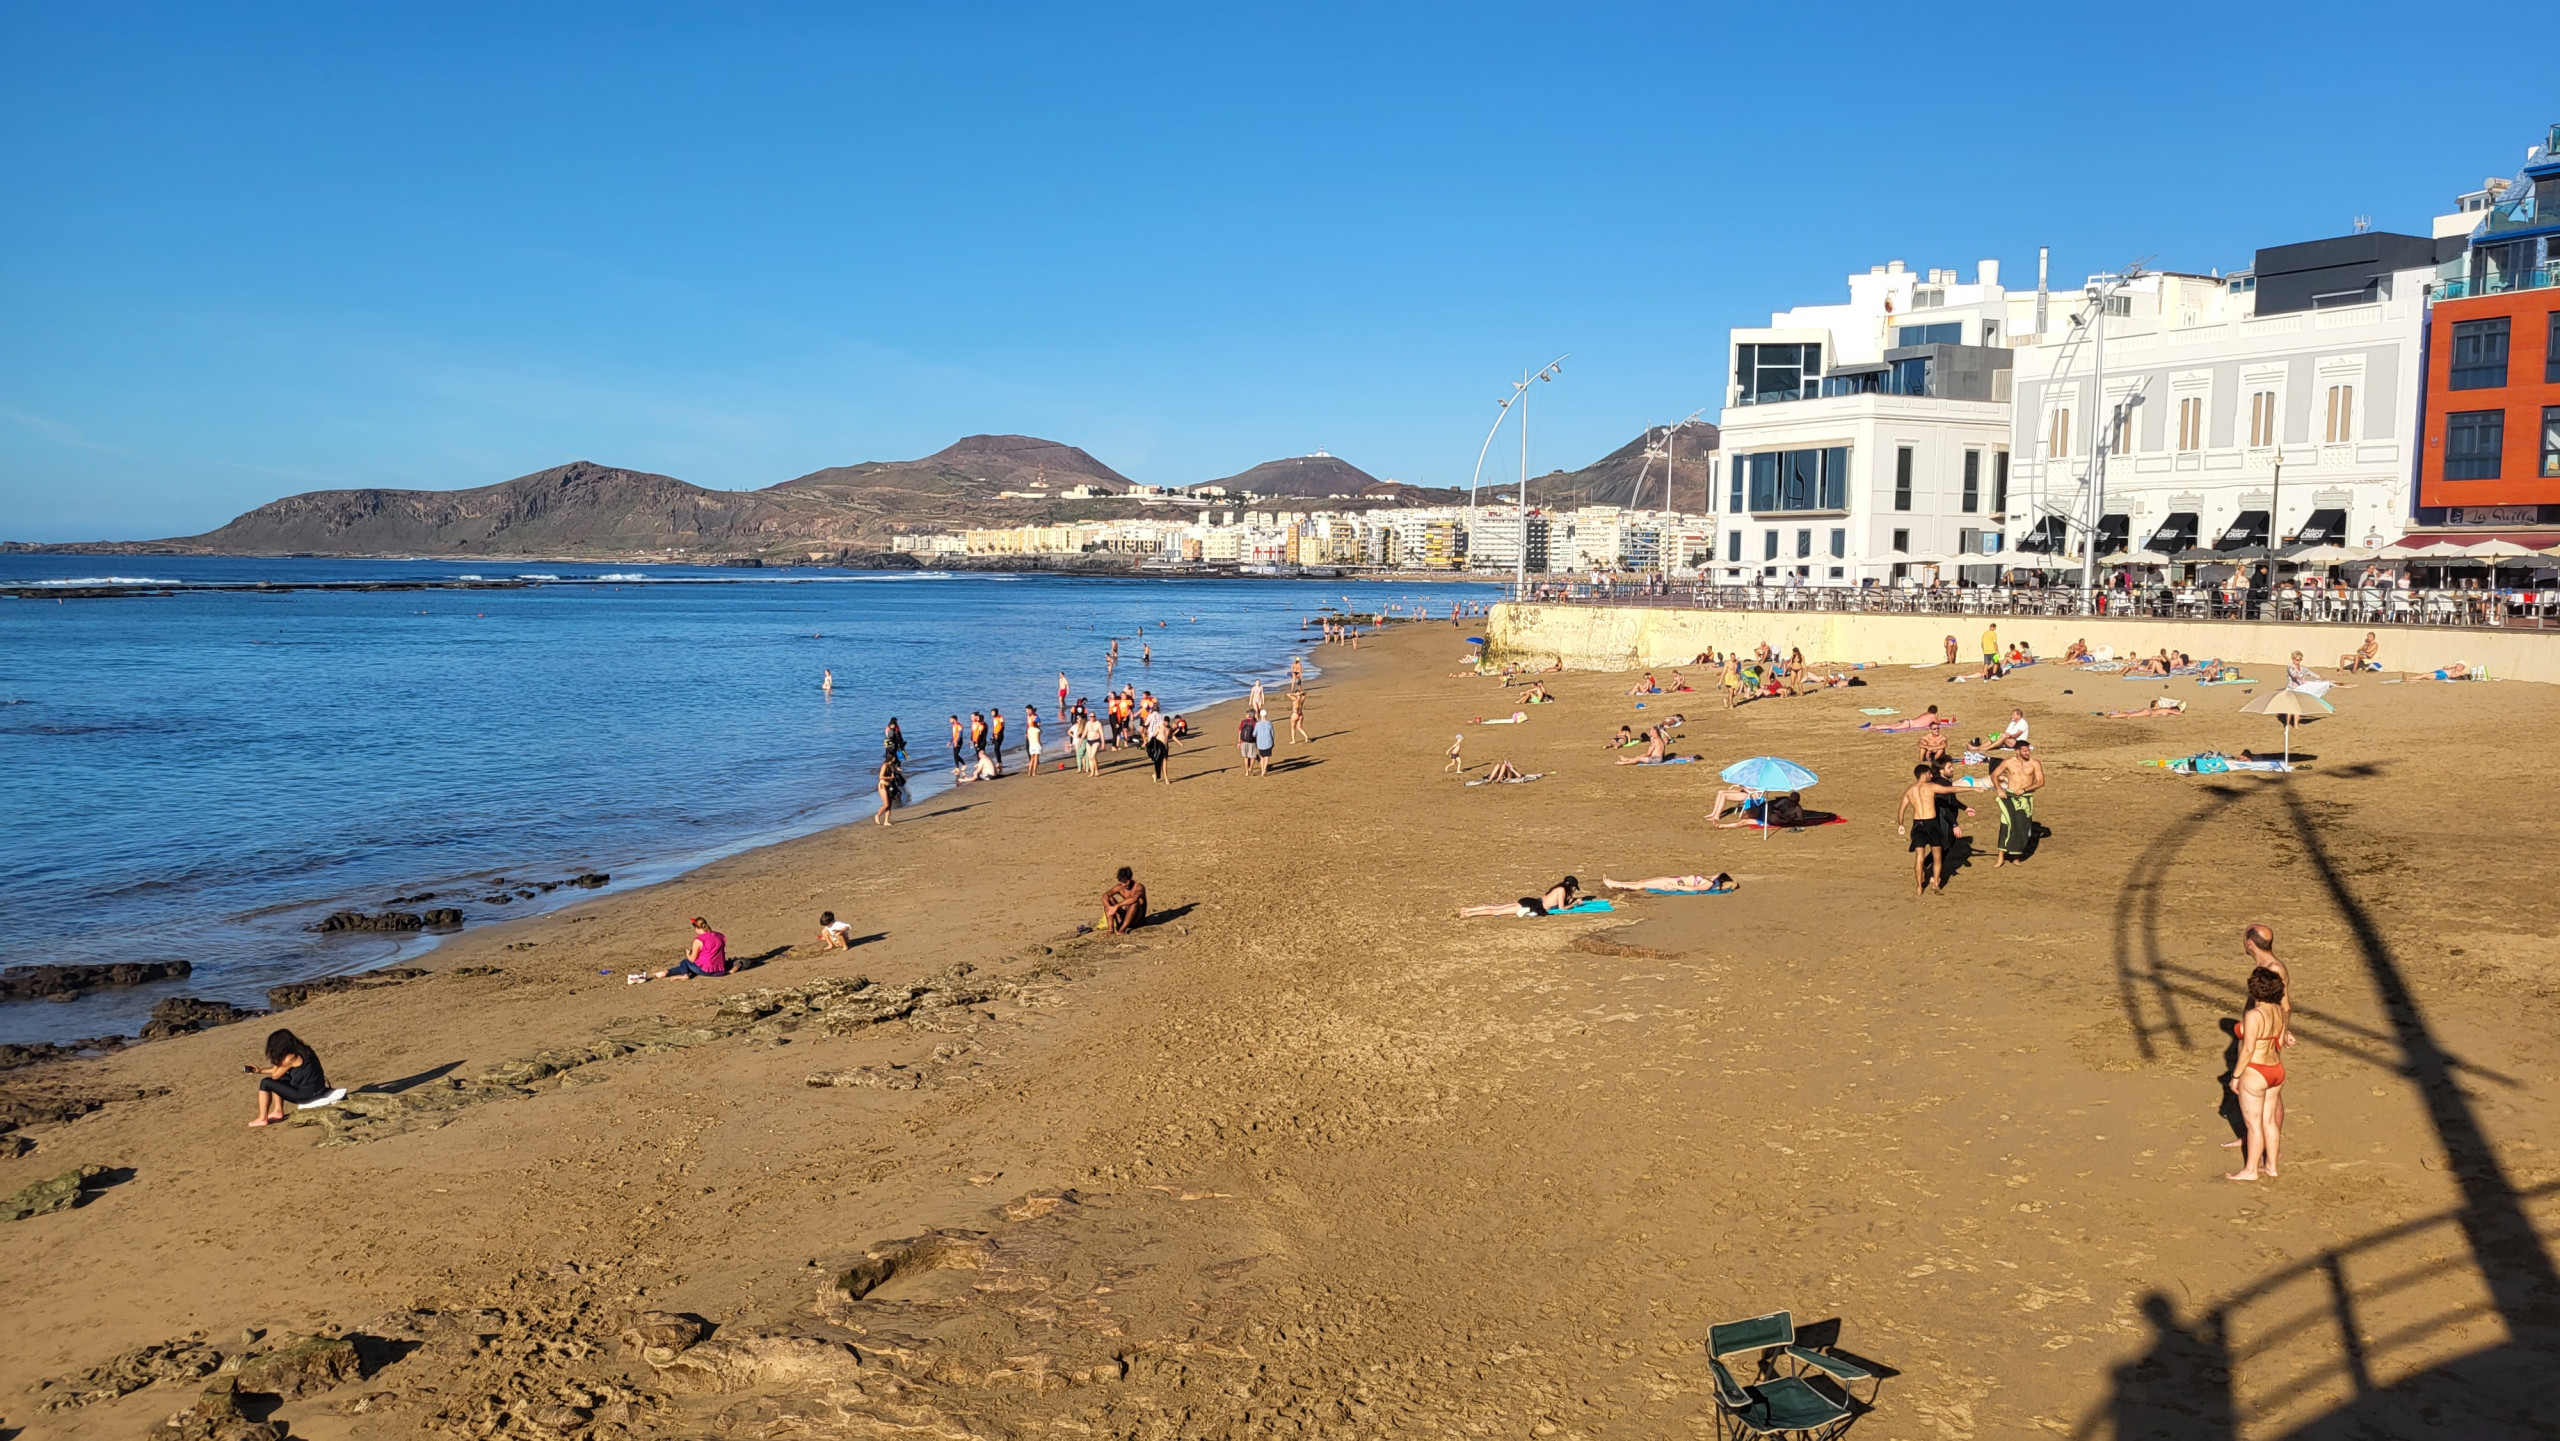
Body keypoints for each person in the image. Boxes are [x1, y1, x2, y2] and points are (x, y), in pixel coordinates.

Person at [2227, 966, 2288, 1181]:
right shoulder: (2279, 1011)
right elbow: (2279, 1040)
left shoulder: (2254, 1015)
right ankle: (2271, 1166)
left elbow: (2248, 1049)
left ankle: (2251, 1170)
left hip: (2256, 1070)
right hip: (2276, 1069)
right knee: (2269, 1120)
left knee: (2254, 1125)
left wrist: (2235, 1076)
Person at [1896, 764, 1969, 896]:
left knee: (1919, 857)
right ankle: (1935, 882)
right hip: (1931, 823)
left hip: (1917, 824)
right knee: (1937, 855)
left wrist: (1901, 824)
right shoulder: (1930, 787)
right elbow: (1950, 789)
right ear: (1924, 774)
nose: (1931, 776)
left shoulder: (1909, 791)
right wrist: (1973, 788)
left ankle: (1919, 887)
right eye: (1929, 774)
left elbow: (1901, 810)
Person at [249, 1028, 336, 1126]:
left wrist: (277, 1059)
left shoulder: (290, 1058)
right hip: (318, 1090)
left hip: (307, 1095)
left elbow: (275, 1076)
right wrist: (260, 1071)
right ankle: (278, 1111)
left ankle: (262, 1118)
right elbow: (279, 1071)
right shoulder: (305, 1050)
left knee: (265, 1083)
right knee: (282, 1078)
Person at [1990, 741, 2044, 866]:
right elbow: (1994, 775)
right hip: (2010, 796)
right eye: (2024, 751)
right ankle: (2000, 857)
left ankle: (2016, 857)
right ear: (2017, 751)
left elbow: (2041, 782)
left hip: (2025, 798)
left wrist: (2025, 789)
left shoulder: (2035, 763)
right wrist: (1999, 790)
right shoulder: (2008, 762)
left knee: (2022, 827)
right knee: (2006, 825)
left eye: (2028, 750)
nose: (2027, 753)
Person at [1459, 877, 1582, 917]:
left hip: (1532, 901)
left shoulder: (1557, 888)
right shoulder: (1561, 891)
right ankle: (1468, 914)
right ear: (1571, 886)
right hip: (1534, 905)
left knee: (1497, 907)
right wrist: (1574, 903)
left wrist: (1571, 899)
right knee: (1497, 911)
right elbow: (1562, 908)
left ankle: (1467, 909)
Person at [655, 918, 727, 979]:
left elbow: (692, 959)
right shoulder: (719, 935)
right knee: (688, 967)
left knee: (685, 962)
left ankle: (684, 975)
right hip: (719, 969)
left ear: (696, 928)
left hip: (706, 970)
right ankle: (666, 972)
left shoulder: (698, 940)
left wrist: (688, 954)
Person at [1101, 866, 1148, 934]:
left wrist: (1117, 905)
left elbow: (1134, 898)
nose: (1124, 885)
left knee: (1135, 903)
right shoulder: (1120, 887)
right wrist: (1110, 908)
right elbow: (1104, 896)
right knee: (1109, 899)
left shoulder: (1139, 887)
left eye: (1126, 882)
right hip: (1125, 916)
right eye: (1122, 882)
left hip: (1137, 919)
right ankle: (1110, 929)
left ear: (1130, 878)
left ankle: (1122, 930)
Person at [1602, 872, 1737, 893]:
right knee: (1642, 881)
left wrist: (1673, 885)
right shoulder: (1708, 881)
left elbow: (1693, 889)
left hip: (1675, 884)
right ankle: (1615, 883)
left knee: (1642, 885)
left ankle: (1614, 885)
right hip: (1674, 880)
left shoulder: (1708, 884)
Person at [1144, 706, 1172, 785]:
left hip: (1154, 736)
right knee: (1161, 760)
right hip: (1160, 738)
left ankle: (1156, 773)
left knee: (1158, 759)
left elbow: (1146, 724)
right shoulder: (1161, 716)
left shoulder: (1151, 716)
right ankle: (1160, 776)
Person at [873, 753, 899, 826]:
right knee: (886, 804)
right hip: (883, 785)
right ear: (891, 758)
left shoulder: (892, 766)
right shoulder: (884, 765)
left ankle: (886, 821)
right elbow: (881, 776)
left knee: (889, 804)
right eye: (894, 757)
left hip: (890, 786)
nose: (895, 758)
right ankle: (877, 815)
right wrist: (890, 777)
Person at [2098, 697, 2187, 718]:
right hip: (2148, 712)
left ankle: (2114, 713)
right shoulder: (2167, 709)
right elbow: (2177, 713)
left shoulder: (2164, 710)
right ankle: (2113, 716)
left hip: (2148, 711)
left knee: (2130, 713)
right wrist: (2180, 712)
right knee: (2130, 715)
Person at [1253, 708, 1276, 776]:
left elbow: (1254, 734)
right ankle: (1263, 770)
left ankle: (1263, 770)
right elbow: (1272, 734)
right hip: (1268, 742)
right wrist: (1272, 740)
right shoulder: (1269, 723)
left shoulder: (1258, 724)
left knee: (1262, 757)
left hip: (1260, 743)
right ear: (1266, 715)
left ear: (1260, 716)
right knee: (1266, 757)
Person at [1024, 705, 1043, 775]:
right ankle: (1034, 772)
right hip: (1031, 733)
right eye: (1026, 710)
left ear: (1031, 710)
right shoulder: (1029, 717)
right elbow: (1038, 739)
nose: (1027, 712)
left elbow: (1037, 723)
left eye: (1028, 710)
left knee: (1031, 751)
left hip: (1031, 732)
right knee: (1028, 747)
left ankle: (1030, 772)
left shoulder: (1035, 716)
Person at [988, 707, 1007, 771]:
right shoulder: (994, 718)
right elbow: (994, 727)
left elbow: (1003, 727)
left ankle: (999, 762)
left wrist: (998, 734)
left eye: (993, 712)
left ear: (996, 712)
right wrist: (992, 735)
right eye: (991, 712)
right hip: (995, 735)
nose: (992, 713)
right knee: (996, 749)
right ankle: (999, 762)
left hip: (1000, 735)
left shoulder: (1000, 718)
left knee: (996, 748)